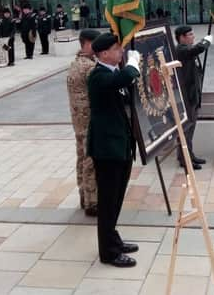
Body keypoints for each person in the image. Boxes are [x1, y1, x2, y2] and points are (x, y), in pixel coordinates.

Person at [87, 33, 141, 268]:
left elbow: (126, 89)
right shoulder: (98, 76)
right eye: (117, 49)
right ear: (104, 54)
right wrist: (133, 64)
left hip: (120, 145)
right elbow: (125, 78)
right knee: (108, 201)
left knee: (117, 199)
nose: (121, 52)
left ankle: (113, 239)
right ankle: (108, 252)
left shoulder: (113, 74)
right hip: (107, 149)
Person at [67, 29, 101, 217]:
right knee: (91, 161)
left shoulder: (75, 63)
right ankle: (92, 202)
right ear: (88, 44)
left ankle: (83, 195)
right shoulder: (88, 67)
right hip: (88, 121)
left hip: (78, 121)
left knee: (81, 157)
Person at [175, 26, 212, 170]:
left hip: (194, 95)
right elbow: (197, 49)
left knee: (190, 130)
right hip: (187, 97)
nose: (193, 37)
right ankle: (185, 159)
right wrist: (206, 42)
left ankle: (189, 155)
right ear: (182, 37)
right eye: (190, 35)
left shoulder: (187, 49)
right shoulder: (181, 50)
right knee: (186, 129)